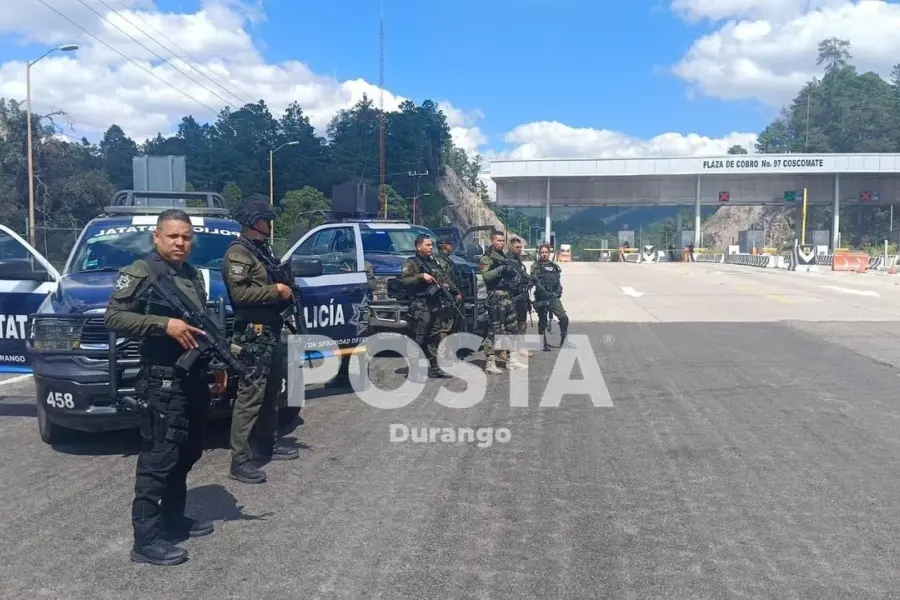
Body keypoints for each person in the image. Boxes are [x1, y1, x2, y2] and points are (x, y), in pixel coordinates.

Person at [105, 208, 228, 566]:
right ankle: (145, 540)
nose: (180, 242)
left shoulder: (192, 276)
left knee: (187, 451)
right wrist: (164, 325)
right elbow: (113, 317)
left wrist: (220, 363)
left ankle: (174, 520)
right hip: (161, 378)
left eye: (186, 237)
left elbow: (205, 329)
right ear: (156, 238)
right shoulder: (141, 272)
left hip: (192, 378)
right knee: (158, 459)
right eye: (173, 236)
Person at [222, 198, 298, 486]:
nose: (270, 224)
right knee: (249, 396)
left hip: (270, 330)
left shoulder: (261, 251)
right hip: (253, 334)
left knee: (270, 392)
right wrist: (275, 289)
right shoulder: (239, 253)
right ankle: (239, 460)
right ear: (255, 222)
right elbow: (240, 295)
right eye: (267, 220)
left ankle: (268, 443)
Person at [399, 235, 460, 380]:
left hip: (434, 303)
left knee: (435, 336)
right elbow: (405, 280)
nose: (430, 247)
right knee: (418, 337)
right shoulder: (411, 263)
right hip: (420, 305)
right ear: (418, 247)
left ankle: (434, 368)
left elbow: (444, 277)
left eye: (431, 245)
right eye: (427, 245)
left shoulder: (433, 261)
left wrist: (454, 291)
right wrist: (421, 276)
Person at [480, 230, 528, 374]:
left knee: (512, 329)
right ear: (492, 241)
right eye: (498, 241)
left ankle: (512, 360)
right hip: (495, 297)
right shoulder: (487, 258)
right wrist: (501, 269)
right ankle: (490, 363)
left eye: (503, 241)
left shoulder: (504, 257)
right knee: (494, 331)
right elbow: (486, 277)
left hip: (508, 297)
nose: (501, 243)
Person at [530, 243, 571, 351]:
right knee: (542, 320)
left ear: (549, 253)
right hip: (542, 297)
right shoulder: (535, 266)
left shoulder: (554, 266)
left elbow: (558, 281)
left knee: (564, 318)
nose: (544, 254)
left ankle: (563, 340)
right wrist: (544, 292)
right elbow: (535, 281)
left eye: (546, 252)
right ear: (539, 254)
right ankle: (543, 343)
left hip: (553, 297)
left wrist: (558, 291)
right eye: (542, 252)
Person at [507, 236, 534, 358]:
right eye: (517, 247)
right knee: (511, 324)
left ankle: (520, 347)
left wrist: (529, 281)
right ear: (511, 247)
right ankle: (510, 350)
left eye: (520, 247)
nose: (520, 249)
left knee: (522, 322)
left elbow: (523, 276)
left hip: (521, 296)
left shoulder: (518, 261)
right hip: (513, 296)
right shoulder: (507, 260)